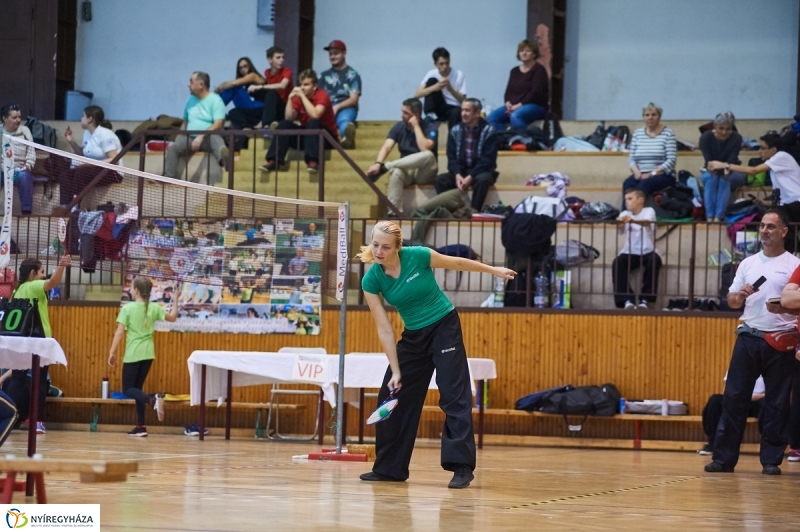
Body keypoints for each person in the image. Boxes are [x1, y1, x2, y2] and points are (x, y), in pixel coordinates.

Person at [357, 220, 515, 488]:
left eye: (385, 247)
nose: (379, 251)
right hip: (413, 336)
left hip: (444, 325)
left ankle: (461, 466)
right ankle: (389, 468)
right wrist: (396, 371)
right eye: (375, 245)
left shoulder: (417, 256)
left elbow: (458, 263)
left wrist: (493, 270)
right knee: (390, 396)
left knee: (454, 395)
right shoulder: (371, 279)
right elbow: (384, 329)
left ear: (398, 247)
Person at [705, 210, 800, 475]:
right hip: (748, 336)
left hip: (781, 340)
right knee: (734, 398)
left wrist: (783, 309)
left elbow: (796, 306)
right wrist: (740, 294)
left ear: (783, 231)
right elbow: (733, 302)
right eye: (762, 226)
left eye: (771, 226)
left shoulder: (794, 264)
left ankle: (771, 460)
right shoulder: (747, 263)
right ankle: (723, 459)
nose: (765, 231)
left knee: (778, 403)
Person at [108, 277, 180, 437]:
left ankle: (152, 401)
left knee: (128, 389)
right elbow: (173, 317)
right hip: (148, 354)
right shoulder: (154, 308)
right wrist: (175, 300)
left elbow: (120, 331)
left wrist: (112, 352)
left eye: (132, 288)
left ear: (137, 291)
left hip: (134, 353)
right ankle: (141, 426)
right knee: (137, 389)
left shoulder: (128, 308)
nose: (131, 291)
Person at [9, 256, 71, 434]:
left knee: (17, 379)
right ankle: (36, 421)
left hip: (20, 340)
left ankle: (8, 417)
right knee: (40, 380)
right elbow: (53, 282)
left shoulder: (17, 290)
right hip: (39, 340)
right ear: (32, 273)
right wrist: (61, 265)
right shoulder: (34, 285)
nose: (43, 276)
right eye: (41, 272)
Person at [708, 132, 800, 251]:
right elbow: (782, 198)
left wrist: (724, 165)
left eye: (763, 148)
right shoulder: (775, 168)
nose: (759, 151)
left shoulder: (782, 156)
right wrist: (762, 202)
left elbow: (753, 170)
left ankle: (793, 255)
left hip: (797, 204)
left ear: (773, 150)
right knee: (775, 217)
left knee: (778, 221)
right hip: (790, 206)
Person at [365, 98, 438, 215]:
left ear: (416, 114)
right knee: (395, 172)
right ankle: (394, 213)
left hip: (424, 172)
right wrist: (378, 163)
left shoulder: (431, 127)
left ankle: (386, 166)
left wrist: (416, 126)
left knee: (428, 155)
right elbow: (387, 146)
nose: (401, 115)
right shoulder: (398, 127)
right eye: (402, 111)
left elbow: (424, 147)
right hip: (406, 168)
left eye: (405, 113)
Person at [261, 69, 338, 174]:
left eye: (306, 85)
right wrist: (289, 99)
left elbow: (315, 114)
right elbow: (289, 117)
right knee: (284, 124)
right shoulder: (298, 97)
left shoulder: (322, 95)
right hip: (309, 137)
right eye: (301, 84)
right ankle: (273, 160)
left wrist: (302, 96)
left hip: (327, 137)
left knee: (313, 122)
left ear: (314, 86)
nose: (302, 87)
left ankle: (313, 161)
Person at [47, 105, 123, 211]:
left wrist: (89, 164)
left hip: (113, 173)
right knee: (66, 174)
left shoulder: (106, 134)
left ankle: (74, 208)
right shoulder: (87, 133)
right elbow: (83, 154)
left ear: (90, 119)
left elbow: (115, 160)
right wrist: (71, 141)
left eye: (83, 116)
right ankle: (64, 207)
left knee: (81, 172)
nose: (81, 119)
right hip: (94, 169)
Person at [434, 99, 499, 213]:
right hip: (462, 171)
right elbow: (452, 157)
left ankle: (474, 212)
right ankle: (453, 212)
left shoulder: (489, 131)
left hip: (481, 171)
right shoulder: (455, 130)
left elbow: (488, 160)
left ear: (477, 113)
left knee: (482, 180)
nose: (463, 113)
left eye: (467, 110)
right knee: (440, 180)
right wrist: (457, 174)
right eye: (462, 110)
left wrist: (470, 176)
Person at [163, 72, 229, 179]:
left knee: (215, 138)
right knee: (173, 148)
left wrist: (201, 136)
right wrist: (178, 138)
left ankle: (225, 161)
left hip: (208, 138)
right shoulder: (190, 100)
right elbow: (186, 121)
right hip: (190, 138)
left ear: (201, 85)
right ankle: (166, 178)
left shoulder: (215, 100)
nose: (188, 85)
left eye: (191, 81)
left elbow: (218, 123)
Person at [612, 189, 661, 310]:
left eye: (630, 199)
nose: (627, 202)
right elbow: (620, 230)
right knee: (617, 263)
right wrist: (619, 223)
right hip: (629, 252)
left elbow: (647, 223)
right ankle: (626, 300)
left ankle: (646, 300)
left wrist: (632, 220)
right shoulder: (624, 213)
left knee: (654, 260)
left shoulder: (649, 211)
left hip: (647, 251)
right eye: (625, 200)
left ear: (641, 200)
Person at [486, 40, 548, 131]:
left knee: (516, 116)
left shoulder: (539, 70)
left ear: (534, 54)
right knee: (492, 118)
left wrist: (519, 105)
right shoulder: (514, 71)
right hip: (515, 106)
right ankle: (506, 139)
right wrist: (508, 103)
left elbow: (536, 92)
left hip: (535, 106)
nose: (524, 53)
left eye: (527, 51)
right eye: (521, 51)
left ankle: (523, 140)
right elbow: (508, 91)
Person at [620, 103, 677, 203]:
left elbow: (671, 160)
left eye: (654, 115)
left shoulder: (668, 133)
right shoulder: (638, 134)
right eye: (647, 115)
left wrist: (652, 174)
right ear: (643, 117)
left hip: (662, 176)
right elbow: (632, 159)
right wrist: (636, 172)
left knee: (642, 186)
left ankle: (639, 216)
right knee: (628, 184)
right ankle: (626, 215)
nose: (650, 118)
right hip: (640, 174)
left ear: (659, 117)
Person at [698, 375, 764, 455]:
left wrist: (747, 397)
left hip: (757, 402)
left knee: (768, 406)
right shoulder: (736, 365)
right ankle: (713, 444)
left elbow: (771, 392)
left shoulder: (768, 368)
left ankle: (768, 447)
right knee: (715, 401)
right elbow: (727, 390)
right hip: (736, 401)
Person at [700, 112, 745, 222]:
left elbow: (732, 159)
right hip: (711, 171)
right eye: (721, 128)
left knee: (725, 179)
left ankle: (718, 216)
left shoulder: (736, 138)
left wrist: (726, 169)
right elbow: (709, 160)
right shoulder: (705, 137)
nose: (724, 132)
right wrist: (715, 169)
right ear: (715, 127)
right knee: (713, 178)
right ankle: (710, 216)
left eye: (728, 129)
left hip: (732, 170)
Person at [214, 57, 265, 152]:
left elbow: (234, 83)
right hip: (249, 110)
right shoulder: (243, 83)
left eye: (245, 66)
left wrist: (220, 87)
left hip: (259, 108)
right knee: (232, 111)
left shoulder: (253, 75)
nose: (243, 70)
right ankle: (216, 109)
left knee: (234, 88)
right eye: (240, 68)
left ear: (250, 66)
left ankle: (214, 108)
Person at [319, 40, 361, 149]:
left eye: (336, 53)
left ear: (344, 53)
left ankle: (347, 138)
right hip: (325, 109)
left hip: (345, 108)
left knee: (344, 120)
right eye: (330, 54)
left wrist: (337, 107)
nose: (332, 56)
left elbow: (354, 99)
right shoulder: (322, 76)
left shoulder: (353, 75)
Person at [414, 47, 466, 130]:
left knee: (456, 112)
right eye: (441, 64)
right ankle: (430, 115)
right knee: (432, 81)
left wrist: (450, 89)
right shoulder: (432, 73)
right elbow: (417, 94)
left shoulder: (459, 74)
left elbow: (463, 100)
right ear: (435, 64)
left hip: (453, 107)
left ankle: (452, 138)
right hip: (439, 106)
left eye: (447, 63)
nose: (445, 67)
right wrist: (434, 87)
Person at [246, 46, 294, 129]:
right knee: (234, 112)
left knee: (271, 93)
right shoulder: (267, 72)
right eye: (278, 58)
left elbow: (282, 86)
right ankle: (247, 128)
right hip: (272, 107)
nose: (281, 60)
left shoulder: (287, 71)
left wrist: (260, 87)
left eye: (283, 57)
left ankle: (266, 126)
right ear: (269, 60)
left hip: (284, 107)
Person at [0, 104, 36, 214]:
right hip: (2, 172)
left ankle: (26, 212)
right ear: (4, 119)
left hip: (16, 174)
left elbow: (31, 153)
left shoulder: (25, 131)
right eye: (14, 118)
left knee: (24, 176)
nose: (18, 120)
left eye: (19, 117)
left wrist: (28, 165)